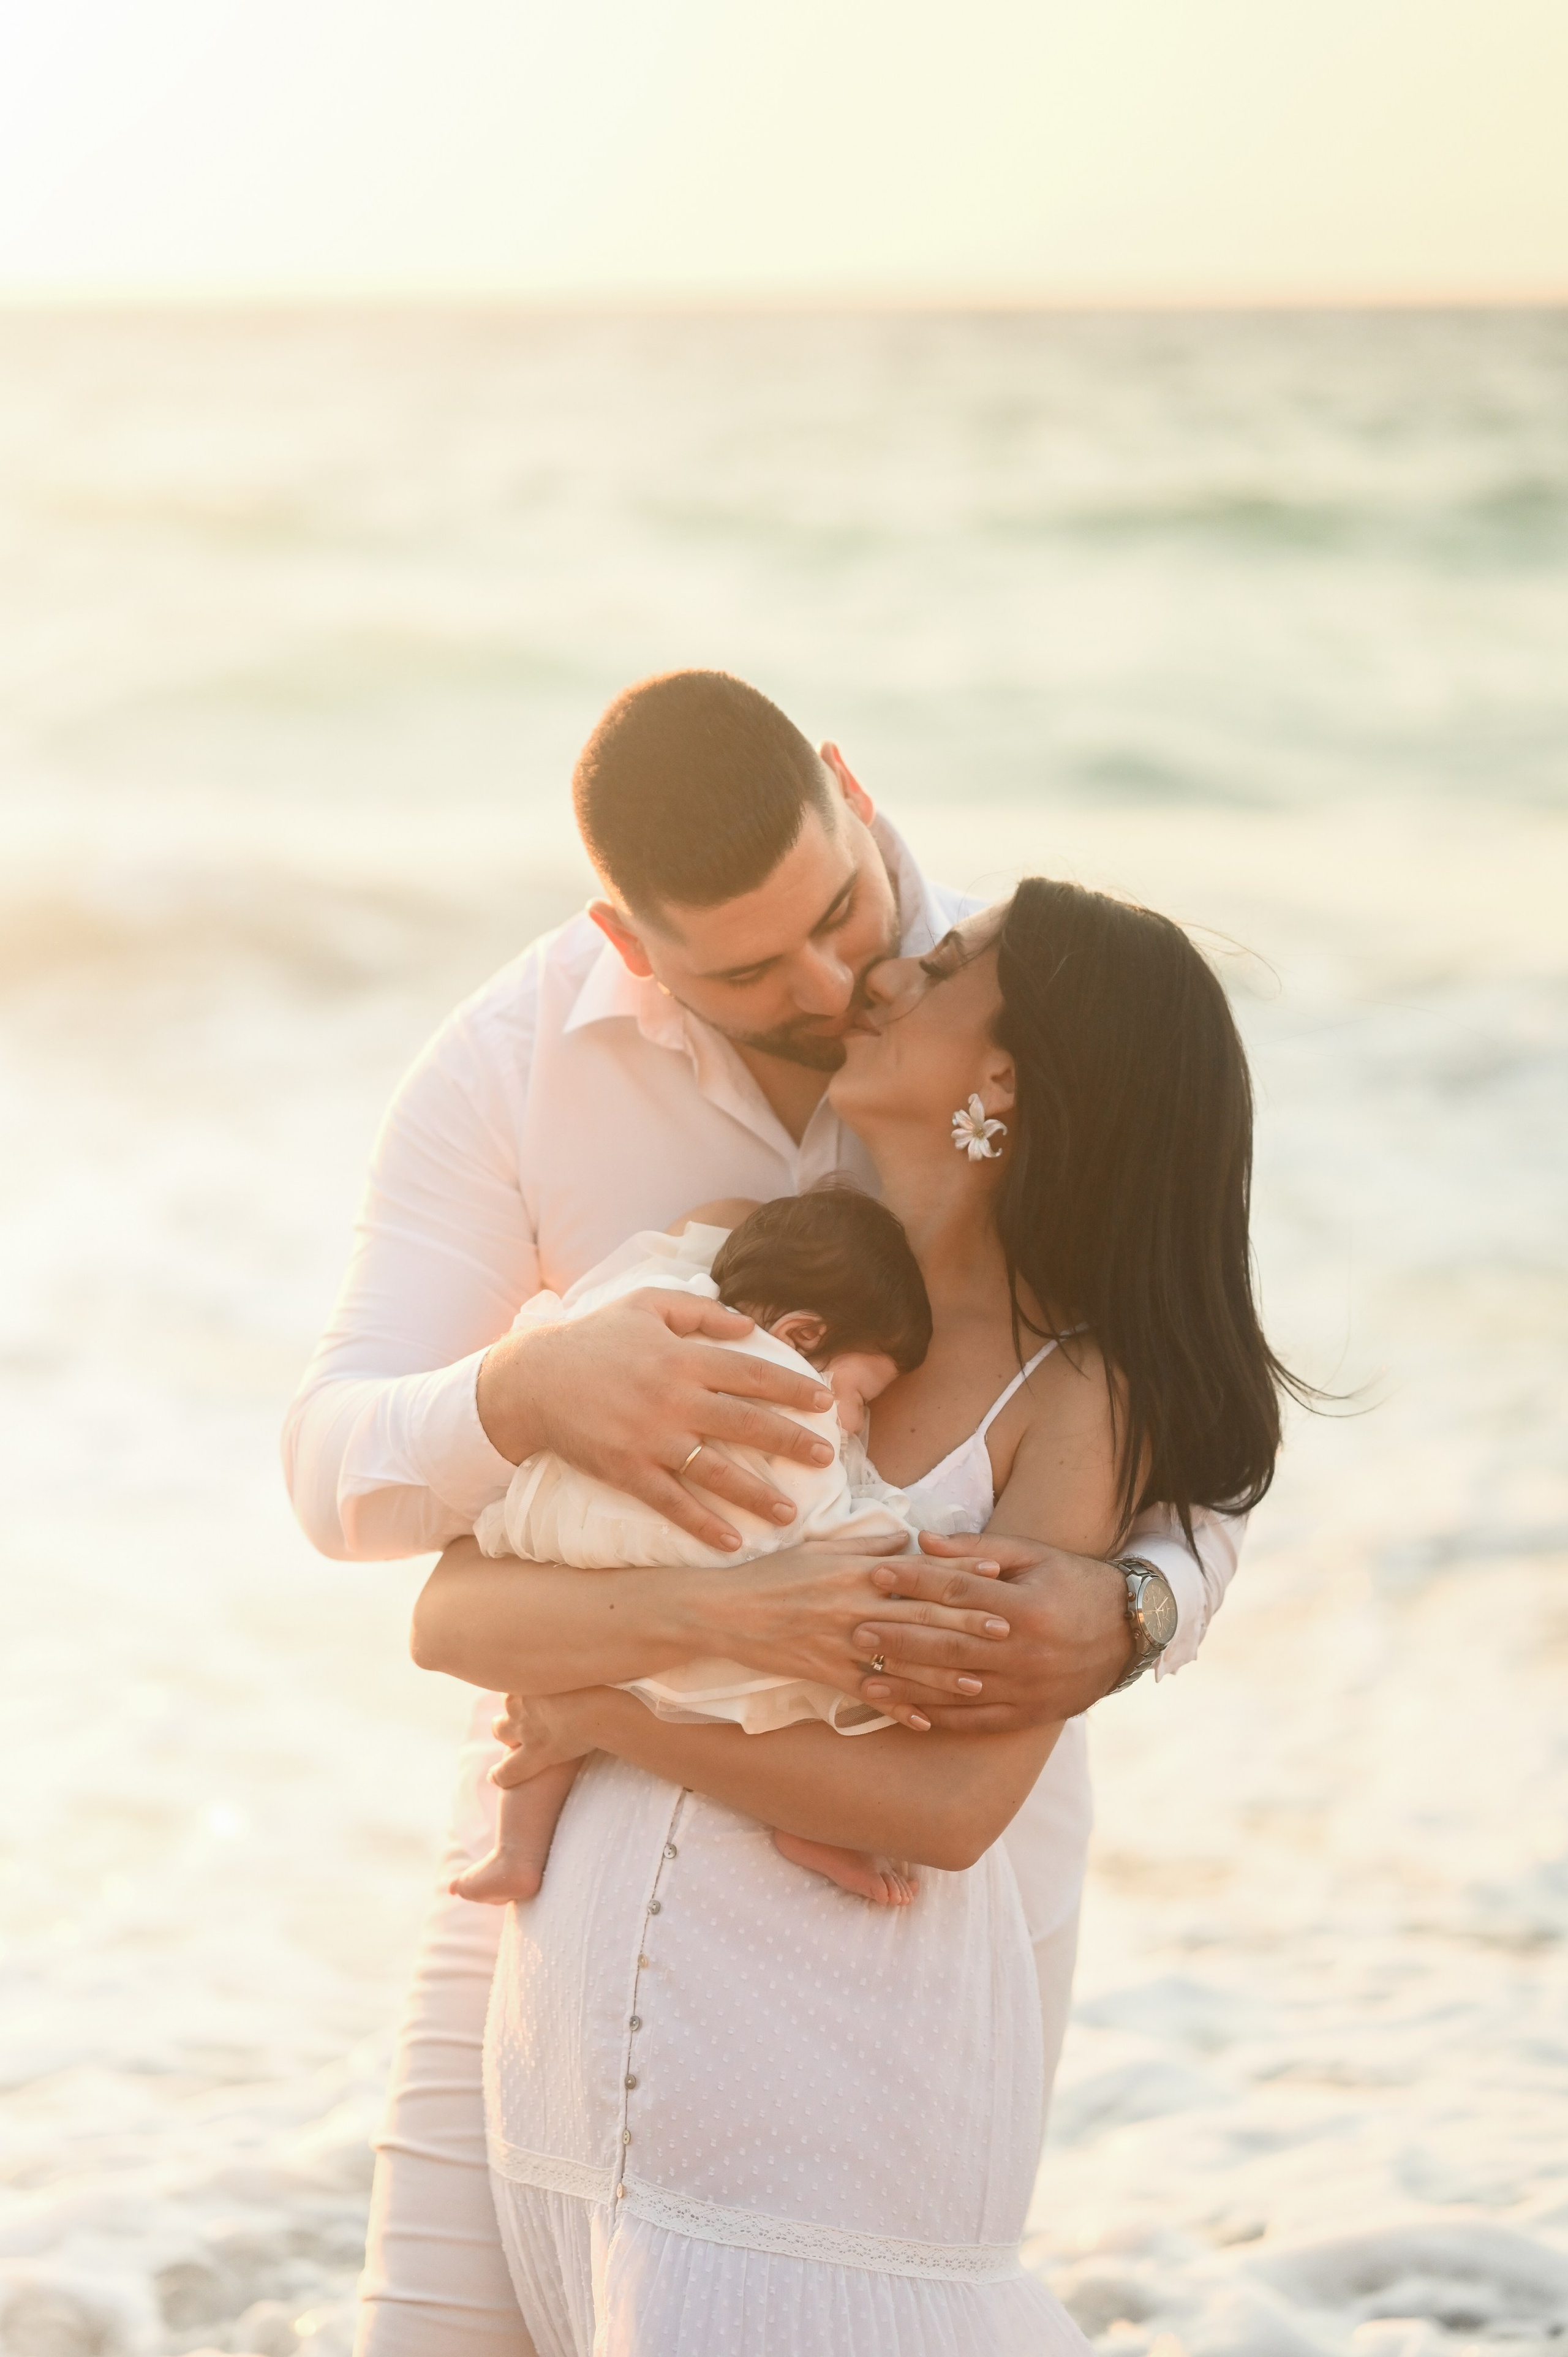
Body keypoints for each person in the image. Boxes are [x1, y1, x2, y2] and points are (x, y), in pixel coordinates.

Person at [282, 670, 1245, 2357]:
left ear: (854, 797)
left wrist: (1139, 1606)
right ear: (630, 943)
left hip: (866, 1903)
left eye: (850, 917)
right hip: (568, 1812)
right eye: (750, 969)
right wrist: (525, 1396)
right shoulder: (520, 1071)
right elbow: (346, 1481)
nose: (838, 984)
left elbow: (1178, 1389)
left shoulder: (1036, 997)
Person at [453, 1189, 951, 1912]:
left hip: (566, 1547)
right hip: (678, 1559)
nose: (854, 1420)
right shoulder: (784, 1398)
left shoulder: (656, 1306)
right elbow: (823, 1521)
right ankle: (808, 1824)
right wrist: (908, 1533)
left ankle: (516, 1852)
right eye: (861, 1394)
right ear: (804, 1334)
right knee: (812, 1680)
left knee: (548, 1692)